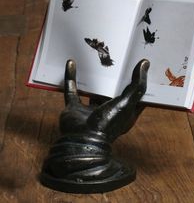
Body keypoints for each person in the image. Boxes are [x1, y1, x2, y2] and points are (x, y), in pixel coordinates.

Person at [40, 59, 150, 193]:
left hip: (55, 166)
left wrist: (79, 134)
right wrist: (97, 135)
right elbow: (137, 88)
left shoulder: (53, 164)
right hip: (91, 168)